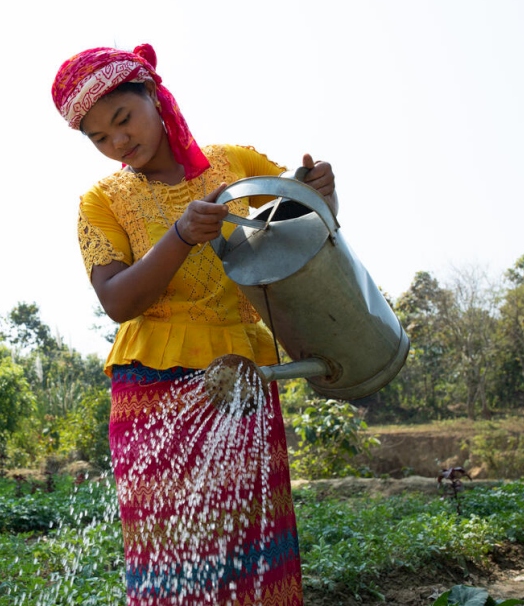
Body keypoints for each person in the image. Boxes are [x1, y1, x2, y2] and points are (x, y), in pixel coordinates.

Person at [51, 43, 337, 605]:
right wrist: (180, 236)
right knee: (170, 557)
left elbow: (306, 238)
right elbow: (115, 299)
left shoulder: (237, 166)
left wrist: (319, 193)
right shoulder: (102, 201)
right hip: (154, 388)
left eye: (123, 119)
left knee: (254, 547)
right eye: (100, 138)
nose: (118, 143)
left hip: (241, 379)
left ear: (153, 95)